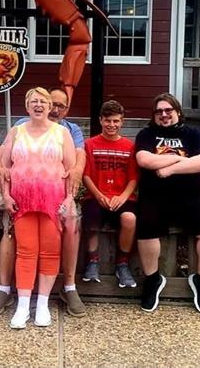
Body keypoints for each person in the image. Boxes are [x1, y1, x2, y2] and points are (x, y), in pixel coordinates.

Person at [0, 87, 86, 318]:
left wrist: (69, 199)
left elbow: (72, 169)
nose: (39, 105)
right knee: (25, 251)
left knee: (50, 251)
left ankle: (43, 304)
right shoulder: (16, 131)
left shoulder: (64, 133)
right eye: (34, 101)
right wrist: (6, 195)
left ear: (49, 106)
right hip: (21, 203)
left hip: (53, 203)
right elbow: (3, 166)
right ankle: (21, 304)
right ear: (27, 105)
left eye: (43, 101)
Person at [135, 93, 200, 315]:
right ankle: (153, 280)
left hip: (191, 195)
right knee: (146, 229)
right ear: (154, 115)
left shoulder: (193, 133)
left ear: (178, 112)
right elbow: (144, 159)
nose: (164, 114)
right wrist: (181, 159)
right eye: (159, 111)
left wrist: (169, 169)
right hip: (154, 195)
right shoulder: (147, 134)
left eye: (168, 110)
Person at [82, 100, 138, 288]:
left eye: (116, 121)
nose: (111, 125)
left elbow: (133, 178)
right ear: (100, 120)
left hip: (121, 198)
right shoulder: (90, 144)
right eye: (107, 120)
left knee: (130, 218)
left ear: (122, 122)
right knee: (91, 217)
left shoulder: (129, 146)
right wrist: (98, 195)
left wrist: (122, 197)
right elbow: (86, 176)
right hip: (96, 196)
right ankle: (92, 261)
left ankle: (122, 263)